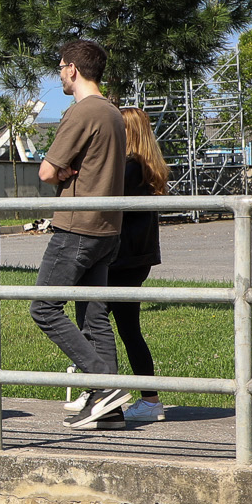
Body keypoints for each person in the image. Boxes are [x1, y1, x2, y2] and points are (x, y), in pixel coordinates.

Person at [34, 40, 132, 428]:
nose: (59, 73)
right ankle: (111, 411)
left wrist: (59, 171)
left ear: (73, 69)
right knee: (94, 318)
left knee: (43, 307)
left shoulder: (82, 112)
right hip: (108, 229)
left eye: (61, 67)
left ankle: (101, 384)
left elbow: (45, 170)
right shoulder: (113, 112)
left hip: (76, 227)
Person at [107, 106, 168, 424]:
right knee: (129, 330)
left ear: (127, 131)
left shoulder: (129, 167)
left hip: (121, 258)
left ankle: (105, 392)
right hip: (137, 259)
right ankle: (147, 399)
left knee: (92, 320)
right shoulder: (149, 166)